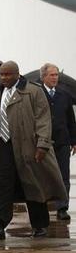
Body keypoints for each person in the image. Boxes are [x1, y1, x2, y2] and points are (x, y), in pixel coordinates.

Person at [0, 61, 67, 240]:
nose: (4, 78)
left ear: (17, 74)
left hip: (28, 147)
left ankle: (39, 226)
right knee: (2, 188)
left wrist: (42, 144)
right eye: (2, 74)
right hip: (2, 146)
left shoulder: (33, 91)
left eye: (7, 74)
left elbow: (44, 119)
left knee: (33, 185)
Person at [39, 63, 76, 220]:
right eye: (52, 75)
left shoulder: (64, 95)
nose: (55, 77)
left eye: (56, 75)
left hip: (62, 142)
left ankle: (62, 208)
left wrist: (74, 141)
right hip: (43, 143)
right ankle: (43, 206)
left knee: (63, 176)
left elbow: (71, 120)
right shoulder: (37, 94)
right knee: (43, 176)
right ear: (44, 77)